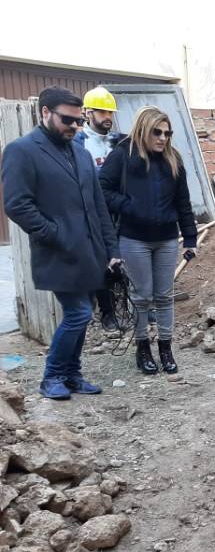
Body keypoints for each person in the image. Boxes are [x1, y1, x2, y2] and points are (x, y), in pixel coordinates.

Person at [1, 86, 121, 400]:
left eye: (79, 120)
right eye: (68, 120)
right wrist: (57, 234)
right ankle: (52, 375)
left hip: (91, 253)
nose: (75, 127)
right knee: (79, 313)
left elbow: (98, 208)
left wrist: (112, 250)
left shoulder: (80, 154)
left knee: (84, 312)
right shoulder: (21, 150)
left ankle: (72, 374)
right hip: (58, 252)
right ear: (45, 113)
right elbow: (17, 205)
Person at [99, 106, 197, 375]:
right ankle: (143, 350)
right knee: (141, 297)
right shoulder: (123, 155)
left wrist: (190, 237)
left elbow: (183, 202)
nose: (163, 137)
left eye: (167, 133)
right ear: (144, 128)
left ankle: (166, 348)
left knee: (164, 297)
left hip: (166, 239)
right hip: (134, 239)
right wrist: (128, 206)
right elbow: (102, 189)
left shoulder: (172, 159)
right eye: (157, 131)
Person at [74, 86, 122, 332]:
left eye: (110, 112)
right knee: (101, 263)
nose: (108, 117)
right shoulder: (78, 144)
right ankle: (107, 313)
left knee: (125, 259)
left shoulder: (119, 141)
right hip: (92, 213)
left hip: (118, 211)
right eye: (102, 112)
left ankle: (131, 304)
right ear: (87, 113)